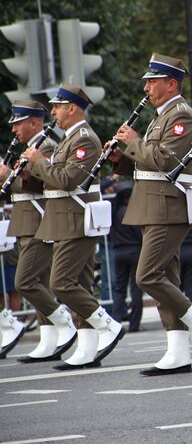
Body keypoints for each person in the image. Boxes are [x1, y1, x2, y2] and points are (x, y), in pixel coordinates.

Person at [109, 54, 192, 376]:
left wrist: (134, 142)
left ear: (171, 84)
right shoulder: (159, 117)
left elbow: (164, 161)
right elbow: (145, 166)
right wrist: (121, 157)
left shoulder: (181, 115)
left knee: (148, 276)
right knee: (166, 278)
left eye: (152, 81)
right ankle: (177, 351)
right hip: (152, 203)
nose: (146, 87)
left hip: (168, 206)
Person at [23, 83, 124, 370]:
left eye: (57, 106)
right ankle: (87, 347)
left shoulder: (84, 139)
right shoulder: (69, 138)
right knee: (80, 284)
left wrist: (40, 162)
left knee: (61, 283)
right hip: (65, 219)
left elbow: (68, 180)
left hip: (76, 220)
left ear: (72, 108)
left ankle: (109, 325)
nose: (52, 112)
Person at [0, 101, 78, 363]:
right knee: (39, 282)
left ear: (34, 122)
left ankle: (63, 320)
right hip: (27, 220)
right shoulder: (32, 147)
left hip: (39, 219)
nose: (13, 130)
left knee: (25, 281)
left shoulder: (45, 146)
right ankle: (49, 338)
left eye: (17, 123)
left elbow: (41, 184)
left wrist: (7, 176)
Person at [109, 180, 143, 333]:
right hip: (135, 251)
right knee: (136, 289)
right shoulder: (132, 211)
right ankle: (134, 325)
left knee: (119, 289)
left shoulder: (114, 210)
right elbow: (140, 234)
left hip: (118, 252)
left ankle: (116, 323)